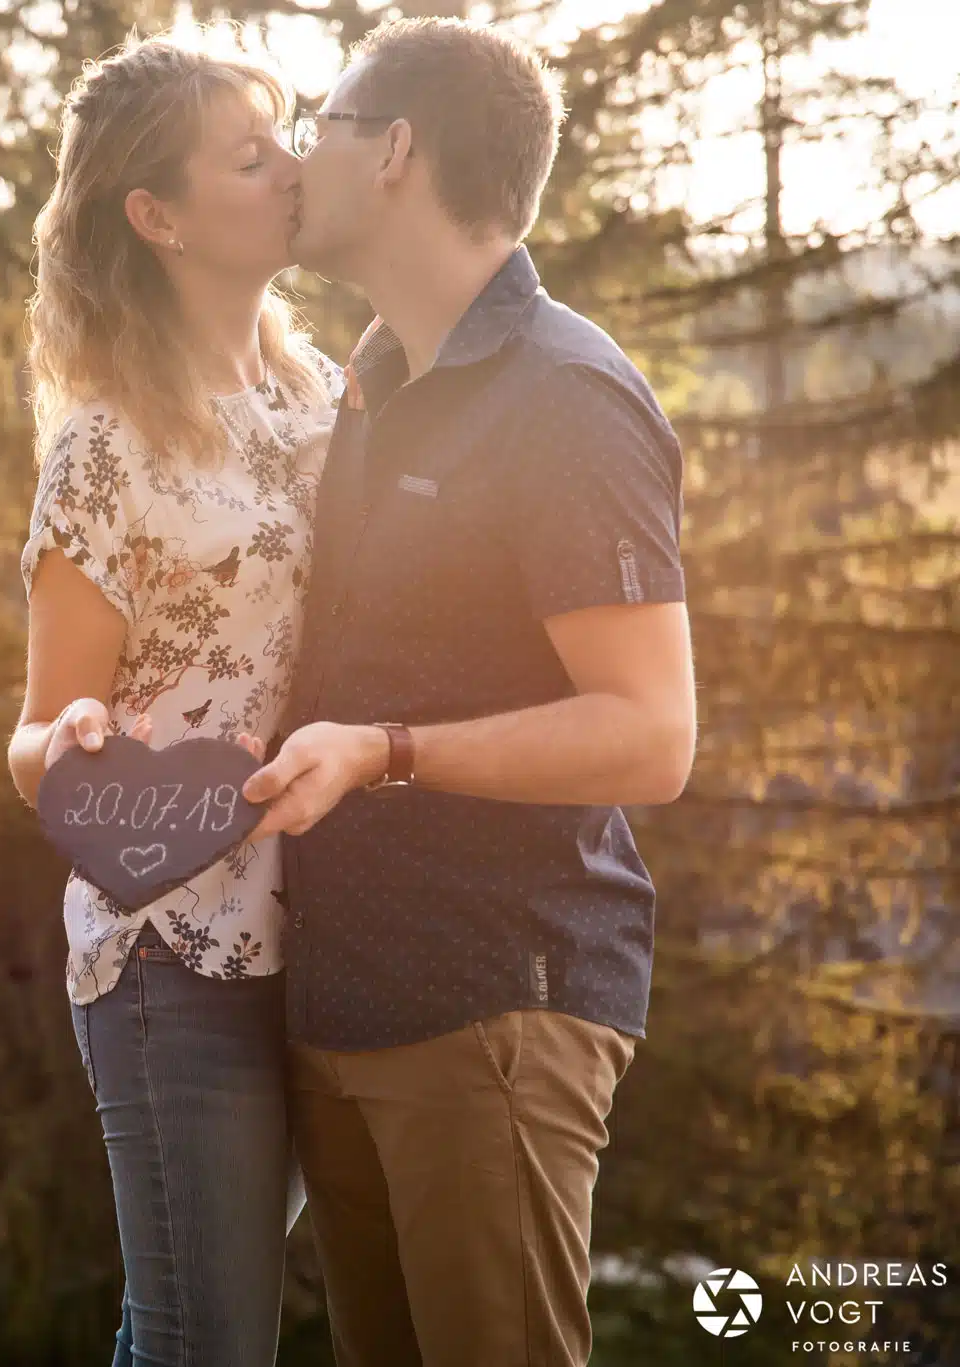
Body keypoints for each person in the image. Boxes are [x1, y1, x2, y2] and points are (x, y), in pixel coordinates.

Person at [231, 17, 697, 1367]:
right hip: (347, 1009)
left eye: (317, 121)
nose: (294, 153)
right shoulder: (364, 386)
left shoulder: (566, 396)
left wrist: (385, 751)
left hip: (494, 1008)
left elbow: (651, 733)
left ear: (396, 150)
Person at [5, 24, 342, 1367]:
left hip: (341, 941)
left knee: (186, 1327)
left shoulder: (327, 399)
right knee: (213, 1345)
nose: (291, 171)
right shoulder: (104, 445)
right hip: (174, 955)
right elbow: (34, 737)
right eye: (249, 158)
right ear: (158, 217)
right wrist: (69, 742)